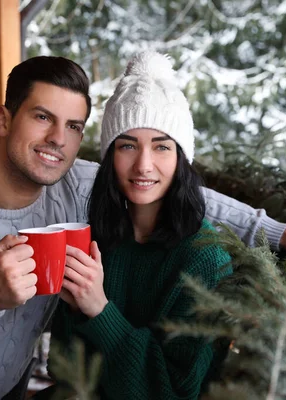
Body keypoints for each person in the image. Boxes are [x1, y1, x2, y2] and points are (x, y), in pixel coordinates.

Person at [0, 55, 286, 399]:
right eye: (41, 117)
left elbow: (166, 188)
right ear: (3, 120)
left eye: (73, 126)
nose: (58, 138)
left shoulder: (73, 184)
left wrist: (278, 233)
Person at [49, 51, 235, 400]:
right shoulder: (98, 240)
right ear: (109, 157)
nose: (144, 165)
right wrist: (76, 309)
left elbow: (175, 392)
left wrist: (99, 311)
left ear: (181, 159)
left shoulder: (206, 260)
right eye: (128, 146)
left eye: (161, 147)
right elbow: (61, 367)